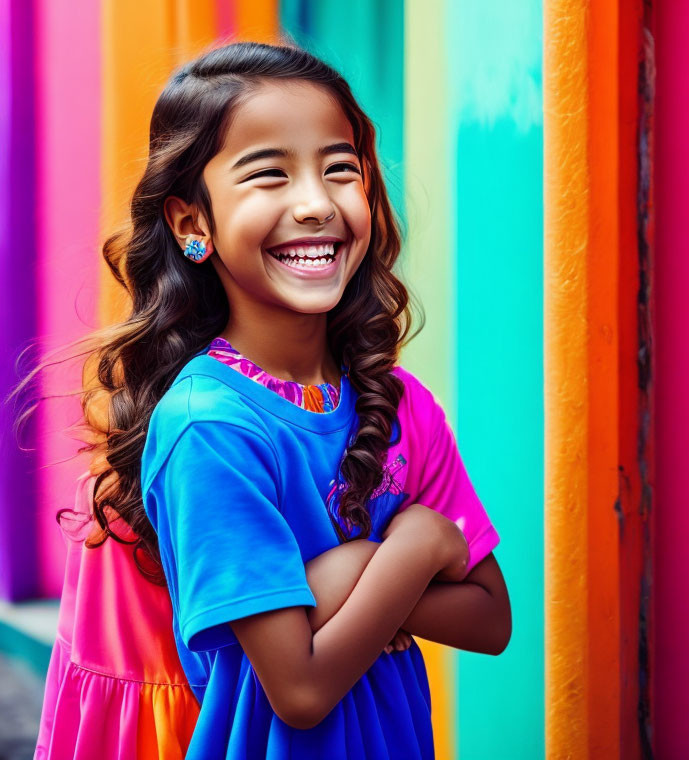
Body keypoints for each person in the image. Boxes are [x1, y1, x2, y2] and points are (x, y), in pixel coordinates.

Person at [28, 40, 511, 759]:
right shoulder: (210, 428)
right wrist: (414, 547)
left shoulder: (402, 403)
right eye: (269, 176)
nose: (316, 204)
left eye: (340, 170)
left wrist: (343, 580)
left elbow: (490, 619)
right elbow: (301, 690)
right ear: (193, 224)